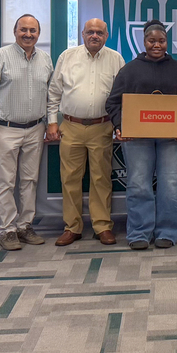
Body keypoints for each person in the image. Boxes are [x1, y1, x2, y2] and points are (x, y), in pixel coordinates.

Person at [106, 20, 177, 250]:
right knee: (138, 185)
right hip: (137, 138)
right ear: (144, 42)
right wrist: (119, 125)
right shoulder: (129, 70)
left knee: (172, 184)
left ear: (167, 42)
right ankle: (139, 232)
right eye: (151, 40)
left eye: (161, 41)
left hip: (172, 139)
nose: (157, 45)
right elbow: (113, 102)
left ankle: (168, 231)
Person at [0, 14, 54, 251]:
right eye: (23, 30)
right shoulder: (0, 57)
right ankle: (8, 230)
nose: (28, 34)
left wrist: (50, 123)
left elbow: (50, 97)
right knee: (5, 182)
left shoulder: (46, 59)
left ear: (39, 33)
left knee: (30, 181)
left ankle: (25, 226)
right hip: (5, 130)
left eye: (33, 30)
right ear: (15, 31)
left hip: (35, 130)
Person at [47, 19, 125, 247]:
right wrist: (52, 122)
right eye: (90, 32)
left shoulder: (115, 59)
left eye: (99, 32)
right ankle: (72, 227)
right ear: (82, 34)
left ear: (106, 35)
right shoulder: (67, 57)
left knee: (101, 178)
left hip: (103, 126)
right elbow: (54, 93)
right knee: (70, 178)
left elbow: (122, 97)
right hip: (70, 126)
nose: (94, 36)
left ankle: (102, 226)